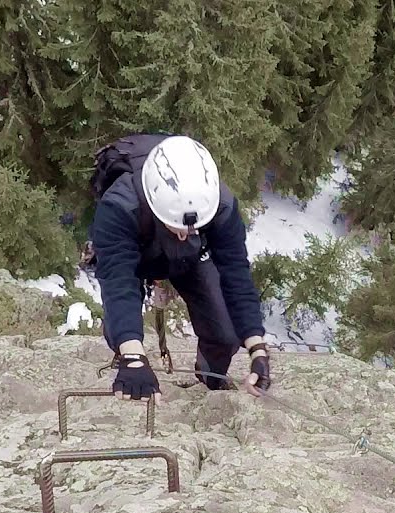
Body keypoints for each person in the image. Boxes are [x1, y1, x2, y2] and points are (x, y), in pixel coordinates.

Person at [87, 134, 271, 404]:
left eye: (193, 229)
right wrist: (133, 357)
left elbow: (236, 274)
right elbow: (119, 284)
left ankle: (210, 374)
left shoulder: (218, 205)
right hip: (138, 250)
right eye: (179, 228)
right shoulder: (119, 207)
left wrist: (258, 349)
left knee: (226, 331)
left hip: (191, 258)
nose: (185, 234)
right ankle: (126, 349)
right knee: (122, 320)